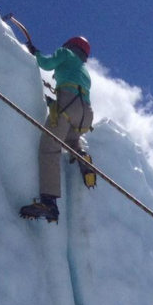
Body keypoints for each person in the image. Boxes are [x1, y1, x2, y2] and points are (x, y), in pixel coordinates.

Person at [19, 36, 93, 222]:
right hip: (85, 113)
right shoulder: (84, 71)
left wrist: (34, 52)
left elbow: (46, 63)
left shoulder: (65, 53)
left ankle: (48, 202)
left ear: (70, 45)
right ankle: (81, 155)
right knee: (69, 139)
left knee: (49, 148)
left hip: (68, 105)